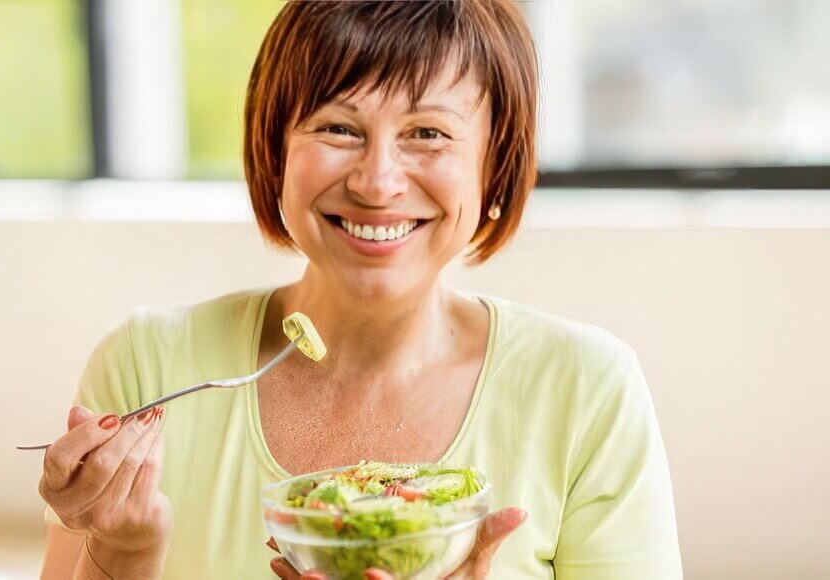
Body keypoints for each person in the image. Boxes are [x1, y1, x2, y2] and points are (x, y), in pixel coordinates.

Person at [38, 1, 683, 578]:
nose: (377, 183)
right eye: (338, 128)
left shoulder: (586, 388)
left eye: (428, 133)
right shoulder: (147, 366)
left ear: (496, 166)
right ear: (275, 153)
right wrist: (122, 553)